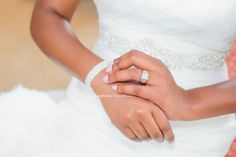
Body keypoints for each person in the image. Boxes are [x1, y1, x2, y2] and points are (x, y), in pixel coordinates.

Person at [0, 0, 236, 156]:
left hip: (197, 129)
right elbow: (49, 13)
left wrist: (189, 102)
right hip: (91, 114)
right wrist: (102, 83)